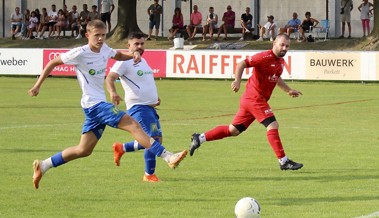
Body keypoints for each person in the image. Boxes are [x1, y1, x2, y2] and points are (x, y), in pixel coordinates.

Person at [28, 20, 187, 189]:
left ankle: (44, 165)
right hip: (95, 105)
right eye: (97, 35)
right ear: (87, 35)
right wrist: (37, 85)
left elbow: (117, 55)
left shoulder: (104, 49)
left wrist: (131, 55)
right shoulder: (79, 53)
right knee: (133, 125)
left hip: (95, 106)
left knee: (84, 150)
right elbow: (53, 63)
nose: (101, 38)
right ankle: (168, 156)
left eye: (103, 35)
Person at [189, 33, 303, 171]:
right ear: (274, 44)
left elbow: (276, 78)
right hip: (254, 98)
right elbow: (242, 63)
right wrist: (237, 80)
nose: (284, 48)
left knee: (234, 130)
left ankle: (199, 138)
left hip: (251, 101)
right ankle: (284, 161)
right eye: (282, 45)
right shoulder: (263, 57)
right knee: (272, 124)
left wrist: (288, 90)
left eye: (287, 46)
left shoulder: (280, 62)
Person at [107, 32, 168, 182]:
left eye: (142, 43)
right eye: (136, 44)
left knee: (156, 140)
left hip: (149, 107)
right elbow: (110, 77)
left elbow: (144, 83)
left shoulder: (143, 61)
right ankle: (149, 175)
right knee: (152, 139)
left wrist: (154, 99)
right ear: (128, 46)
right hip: (138, 108)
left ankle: (122, 148)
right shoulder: (123, 61)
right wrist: (113, 92)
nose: (140, 47)